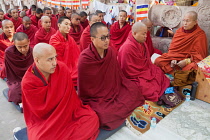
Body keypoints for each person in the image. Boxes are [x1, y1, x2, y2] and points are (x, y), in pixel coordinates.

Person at [22, 43, 99, 140]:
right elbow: (38, 113)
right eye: (50, 59)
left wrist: (65, 114)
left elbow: (72, 101)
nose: (54, 63)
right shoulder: (29, 82)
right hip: (47, 122)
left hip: (69, 115)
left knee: (92, 118)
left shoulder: (62, 68)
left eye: (55, 57)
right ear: (37, 60)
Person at [78, 22, 145, 130]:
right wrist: (103, 93)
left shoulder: (110, 52)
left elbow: (117, 75)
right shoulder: (85, 58)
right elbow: (86, 88)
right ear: (92, 39)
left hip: (114, 89)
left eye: (108, 37)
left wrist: (114, 88)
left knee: (134, 90)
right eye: (103, 38)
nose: (107, 41)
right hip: (96, 96)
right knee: (104, 114)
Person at [118, 22, 170, 101]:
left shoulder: (142, 43)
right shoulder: (126, 48)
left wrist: (148, 71)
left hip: (144, 71)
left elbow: (147, 62)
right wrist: (145, 74)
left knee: (158, 72)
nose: (146, 36)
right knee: (144, 87)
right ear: (135, 33)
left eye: (146, 33)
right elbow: (127, 72)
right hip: (134, 76)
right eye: (143, 34)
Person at [4, 32, 33, 107]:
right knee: (16, 92)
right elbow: (11, 72)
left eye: (25, 46)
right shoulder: (9, 52)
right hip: (17, 79)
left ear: (29, 41)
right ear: (14, 44)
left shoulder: (33, 51)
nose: (23, 49)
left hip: (31, 77)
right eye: (19, 47)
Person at [49, 16, 79, 86]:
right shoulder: (54, 39)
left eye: (69, 25)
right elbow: (56, 58)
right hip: (60, 66)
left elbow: (76, 55)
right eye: (66, 24)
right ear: (59, 25)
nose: (69, 27)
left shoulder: (70, 39)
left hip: (72, 65)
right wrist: (65, 45)